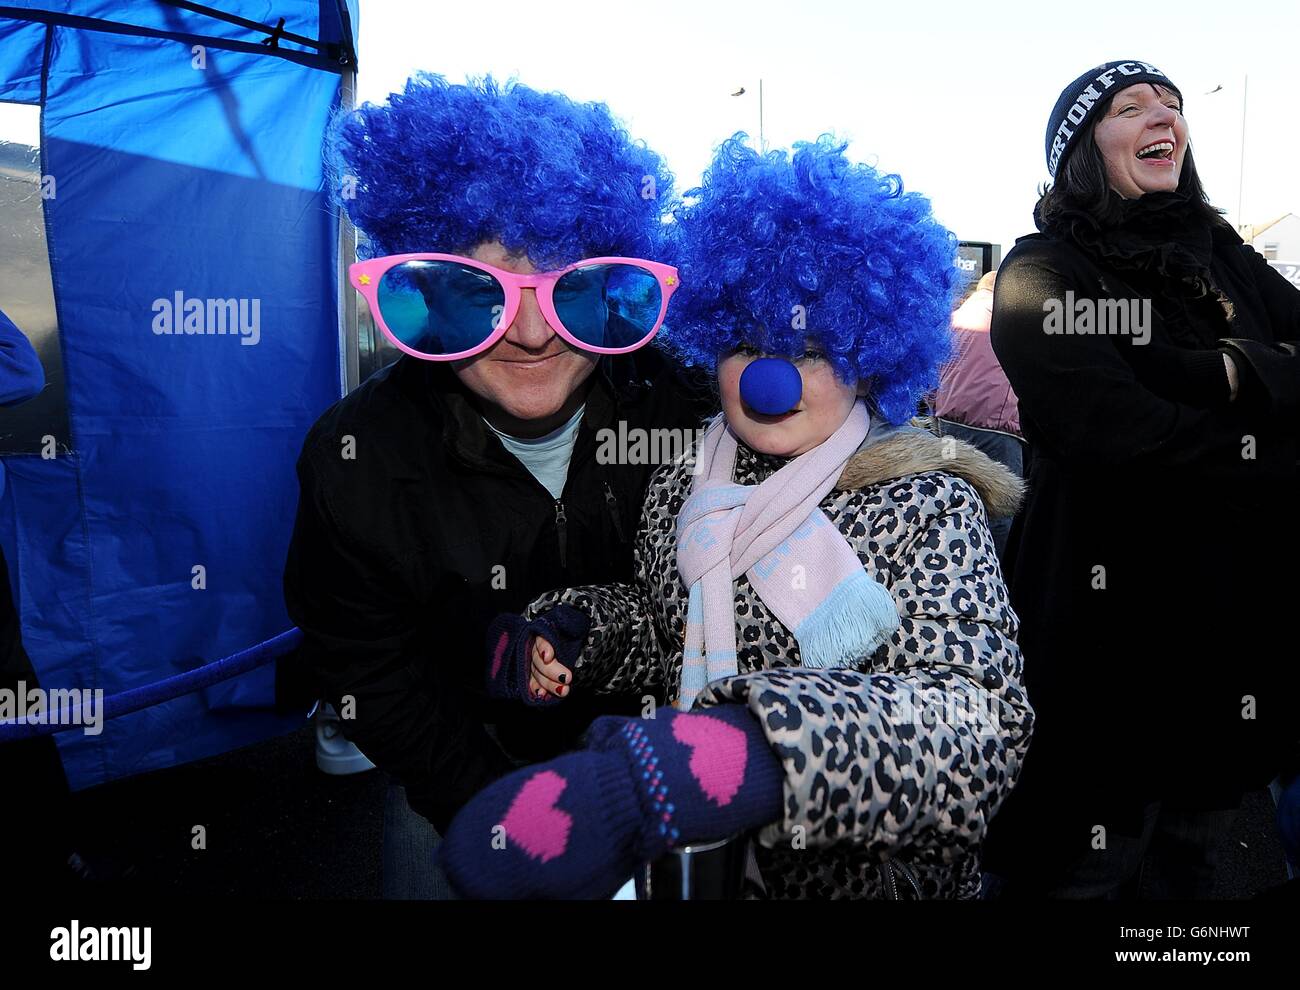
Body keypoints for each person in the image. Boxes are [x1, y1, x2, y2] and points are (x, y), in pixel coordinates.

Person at [438, 136, 1034, 900]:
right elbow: (668, 631)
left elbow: (975, 724)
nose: (771, 378)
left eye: (812, 350)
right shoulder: (683, 483)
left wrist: (740, 754)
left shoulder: (928, 502)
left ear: (872, 355)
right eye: (746, 344)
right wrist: (576, 633)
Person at [282, 75, 710, 898]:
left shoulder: (693, 411)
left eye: (571, 287)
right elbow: (367, 667)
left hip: (668, 775)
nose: (532, 332)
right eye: (480, 293)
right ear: (425, 294)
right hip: (469, 771)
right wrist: (500, 809)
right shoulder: (356, 456)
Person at [982, 60, 1300, 899]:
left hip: (1231, 645)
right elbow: (1112, 429)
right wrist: (1258, 392)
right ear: (1085, 149)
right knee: (1079, 873)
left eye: (1172, 104)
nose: (1164, 116)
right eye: (1132, 106)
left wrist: (1206, 369)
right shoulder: (1041, 271)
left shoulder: (1223, 251)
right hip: (1101, 653)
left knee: (1206, 885)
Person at [932, 268, 1025, 558]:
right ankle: (997, 576)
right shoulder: (1007, 318)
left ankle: (957, 559)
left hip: (947, 425)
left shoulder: (954, 318)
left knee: (957, 495)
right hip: (994, 428)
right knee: (999, 507)